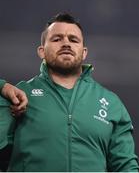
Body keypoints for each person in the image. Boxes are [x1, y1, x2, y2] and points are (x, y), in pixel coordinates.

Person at [0, 13, 139, 172]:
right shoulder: (18, 94)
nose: (66, 43)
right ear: (41, 51)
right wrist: (1, 87)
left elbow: (126, 167)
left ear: (84, 52)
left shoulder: (111, 103)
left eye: (73, 40)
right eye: (57, 39)